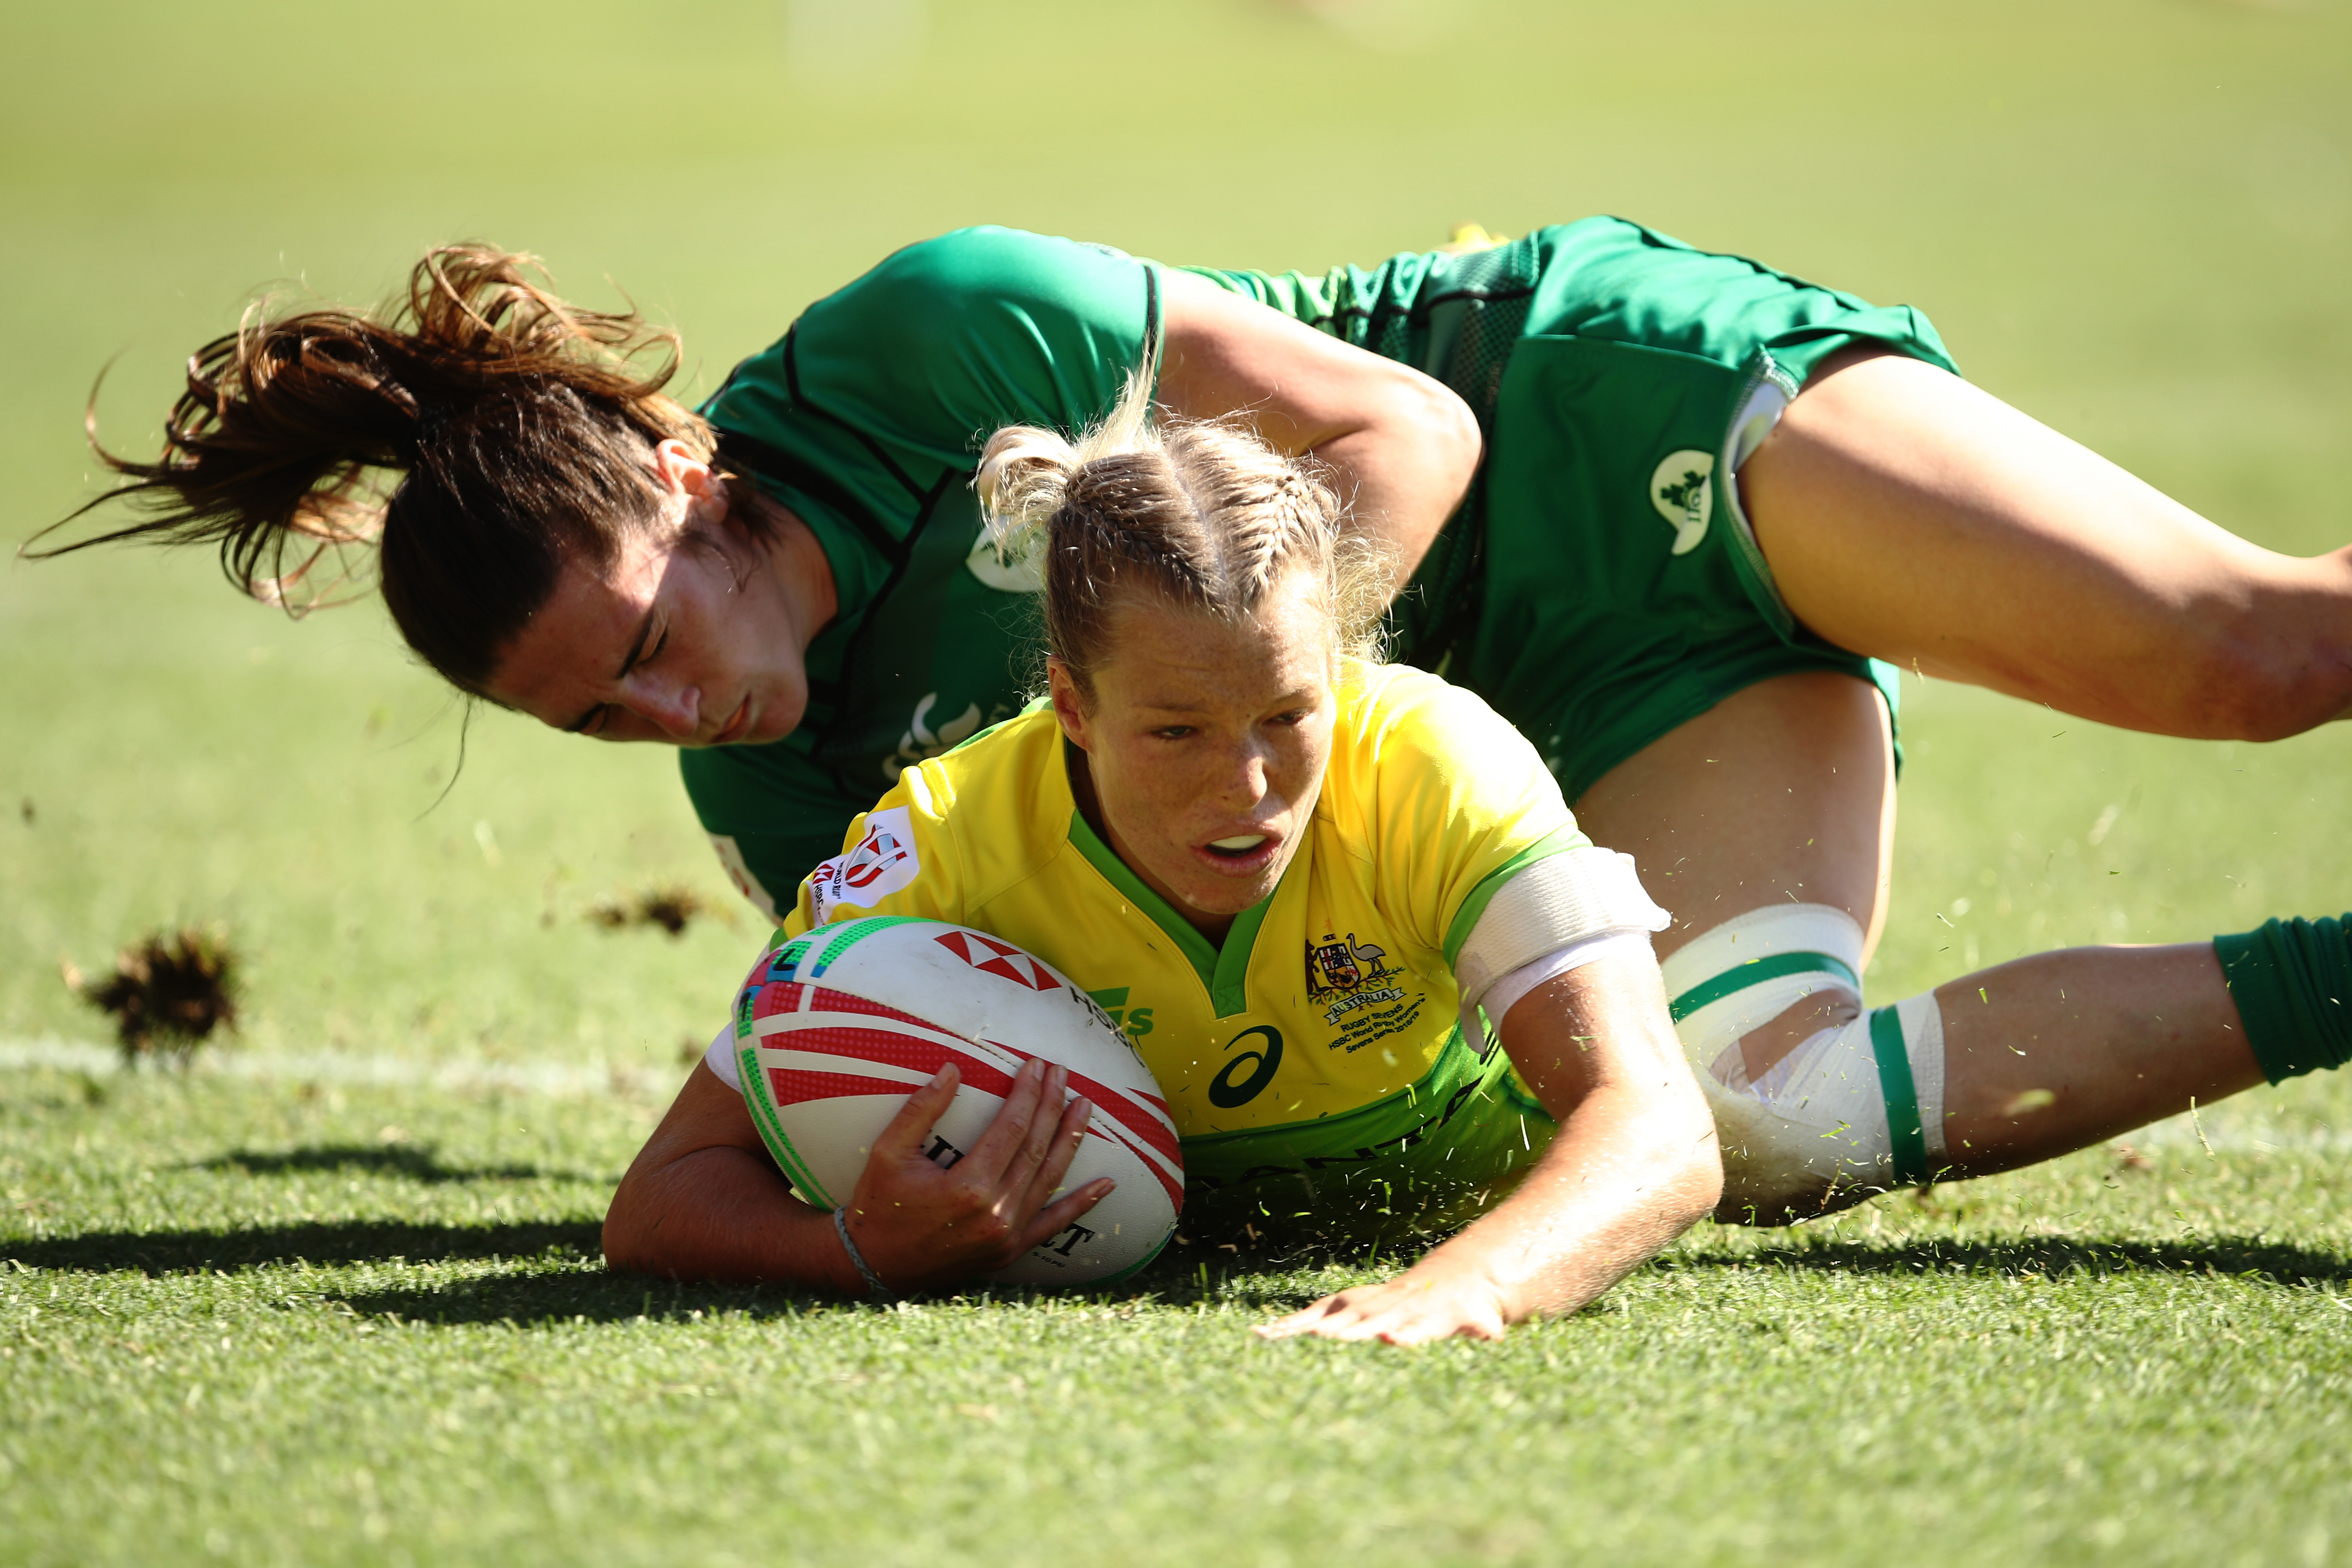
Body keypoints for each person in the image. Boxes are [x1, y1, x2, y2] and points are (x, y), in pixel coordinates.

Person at [37, 220, 2352, 1228]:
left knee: (2260, 657)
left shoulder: (937, 335)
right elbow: (1056, 982)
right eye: (594, 723)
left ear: (674, 474)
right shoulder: (775, 787)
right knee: (1769, 1125)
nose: (676, 713)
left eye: (652, 636)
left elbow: (1411, 431)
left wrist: (1312, 720)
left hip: (1590, 416)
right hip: (1561, 704)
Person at [608, 385, 2342, 1341]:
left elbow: (1654, 1135)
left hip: (1694, 554)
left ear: (1344, 672)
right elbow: (655, 1202)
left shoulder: (1428, 755)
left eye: (1290, 712)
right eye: (1175, 734)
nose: (1254, 785)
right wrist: (851, 1253)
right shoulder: (938, 843)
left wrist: (1467, 1290)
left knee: (1770, 1119)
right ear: (1066, 701)